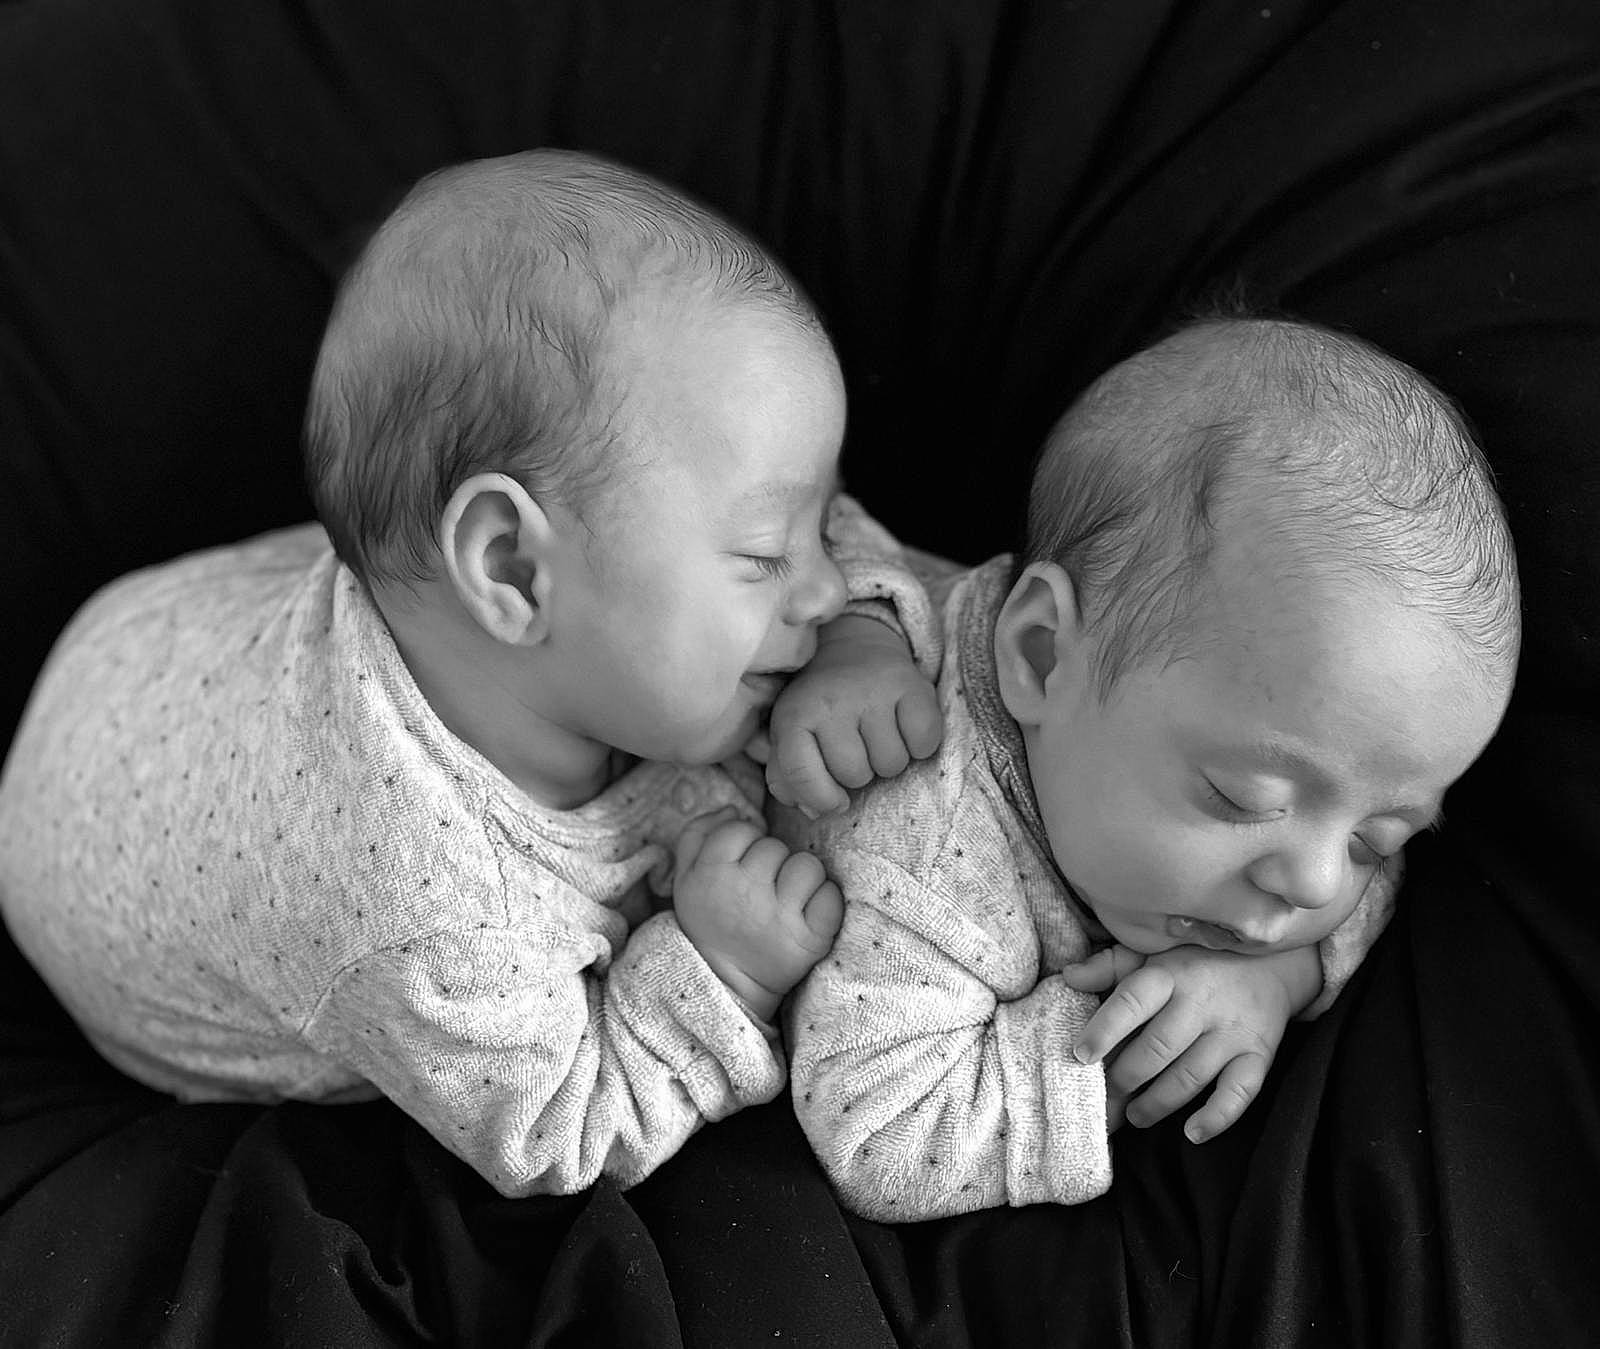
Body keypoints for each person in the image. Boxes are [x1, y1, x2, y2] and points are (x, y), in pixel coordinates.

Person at [0, 149, 943, 1197]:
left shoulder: (503, 612)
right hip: (92, 891)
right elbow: (560, 1130)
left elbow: (828, 555)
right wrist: (721, 972)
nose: (820, 585)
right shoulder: (434, 914)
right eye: (768, 555)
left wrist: (866, 631)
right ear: (509, 567)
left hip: (146, 637)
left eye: (817, 529)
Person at [771, 314, 1522, 1220]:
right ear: (1044, 655)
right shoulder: (927, 850)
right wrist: (1129, 1035)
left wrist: (1277, 978)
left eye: (1374, 836)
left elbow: (1369, 887)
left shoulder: (1259, 776)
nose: (1316, 883)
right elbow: (881, 1132)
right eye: (1244, 797)